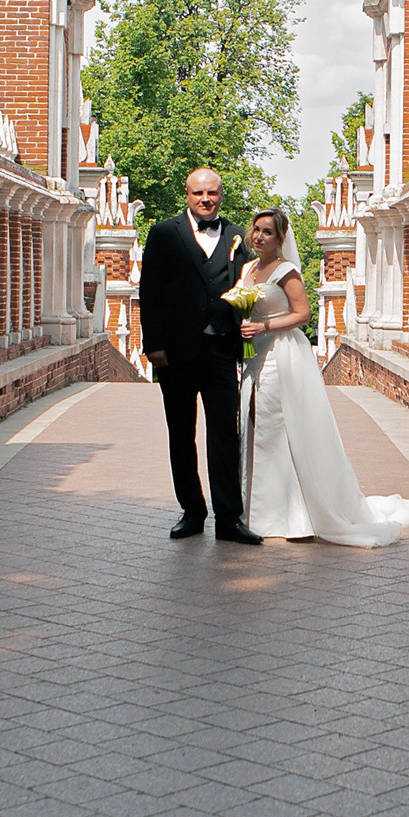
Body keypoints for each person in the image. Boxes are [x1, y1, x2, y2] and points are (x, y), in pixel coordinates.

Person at [234, 208, 409, 547]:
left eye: (267, 231)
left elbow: (303, 313)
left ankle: (294, 515)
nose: (259, 236)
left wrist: (264, 325)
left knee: (278, 428)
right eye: (256, 229)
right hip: (254, 355)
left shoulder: (286, 271)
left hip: (281, 356)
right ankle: (256, 512)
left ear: (281, 238)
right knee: (253, 428)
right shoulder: (248, 268)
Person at [138, 169, 261, 543]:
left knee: (225, 434)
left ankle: (229, 518)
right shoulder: (163, 234)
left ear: (221, 195)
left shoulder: (238, 236)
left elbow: (249, 287)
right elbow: (150, 291)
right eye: (198, 193)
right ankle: (192, 511)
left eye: (212, 193)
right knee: (181, 433)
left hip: (222, 351)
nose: (205, 199)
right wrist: (154, 344)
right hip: (174, 354)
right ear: (187, 194)